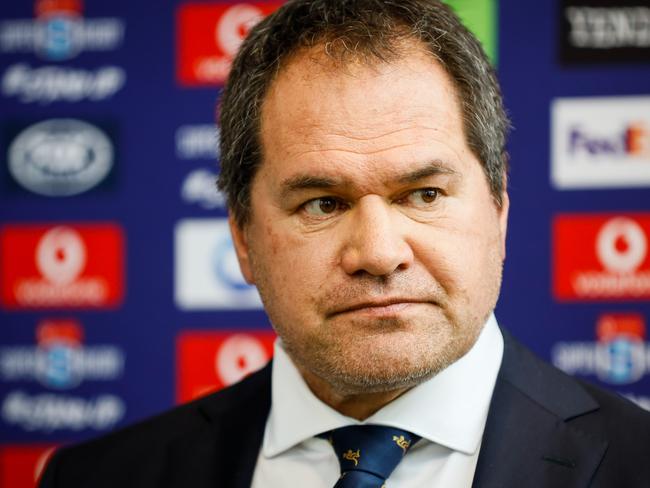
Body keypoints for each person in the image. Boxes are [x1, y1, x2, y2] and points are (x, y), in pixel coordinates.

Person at [40, 1, 650, 487]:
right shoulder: (100, 476)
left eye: (424, 194)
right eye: (322, 203)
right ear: (243, 239)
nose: (380, 253)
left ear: (499, 209)